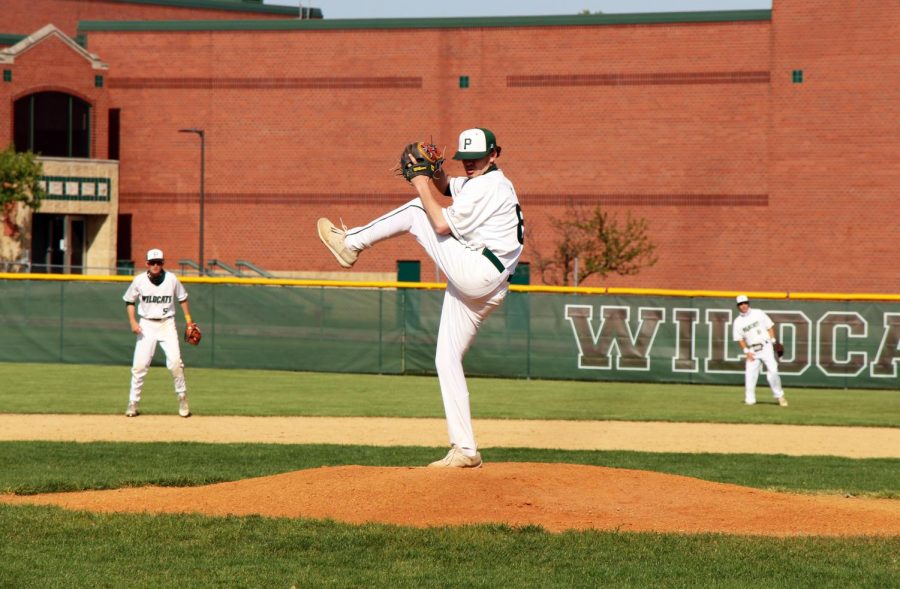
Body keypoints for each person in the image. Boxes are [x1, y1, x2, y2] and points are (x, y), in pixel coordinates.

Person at [317, 127, 524, 468]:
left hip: (480, 271)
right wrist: (434, 171)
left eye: (477, 158)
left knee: (417, 211)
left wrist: (418, 181)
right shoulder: (485, 181)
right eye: (465, 159)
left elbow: (440, 224)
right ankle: (466, 449)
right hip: (487, 284)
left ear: (495, 154)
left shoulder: (490, 186)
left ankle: (350, 243)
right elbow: (446, 188)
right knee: (446, 359)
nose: (470, 164)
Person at [122, 248, 193, 418]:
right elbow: (129, 301)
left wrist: (189, 320)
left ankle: (182, 397)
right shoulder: (139, 280)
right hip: (146, 325)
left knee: (175, 363)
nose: (155, 265)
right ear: (147, 264)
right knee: (139, 366)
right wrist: (133, 322)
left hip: (167, 324)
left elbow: (182, 298)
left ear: (163, 263)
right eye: (152, 262)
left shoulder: (171, 279)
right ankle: (133, 403)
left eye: (158, 262)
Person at [732, 294, 788, 407]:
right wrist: (746, 352)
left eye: (745, 303)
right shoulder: (737, 321)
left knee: (773, 372)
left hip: (766, 345)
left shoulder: (758, 312)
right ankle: (750, 400)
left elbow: (769, 326)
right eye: (741, 304)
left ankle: (779, 396)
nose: (743, 306)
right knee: (750, 376)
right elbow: (739, 338)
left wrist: (773, 341)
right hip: (753, 349)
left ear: (748, 303)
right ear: (738, 306)